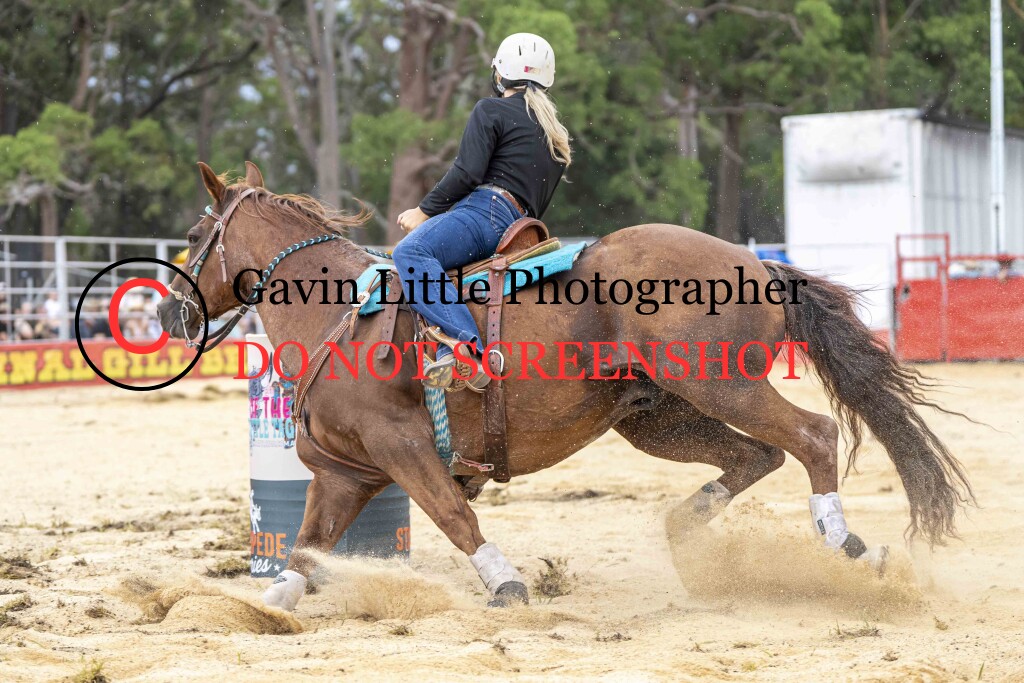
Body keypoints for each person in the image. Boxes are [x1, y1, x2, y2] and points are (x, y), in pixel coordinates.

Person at [392, 33, 571, 392]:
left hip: (486, 212)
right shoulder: (554, 134)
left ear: (500, 74)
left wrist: (424, 211)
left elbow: (467, 173)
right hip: (522, 227)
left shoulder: (490, 110)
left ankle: (468, 349)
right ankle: (448, 348)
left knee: (411, 252)